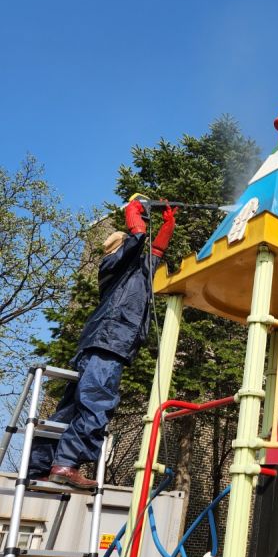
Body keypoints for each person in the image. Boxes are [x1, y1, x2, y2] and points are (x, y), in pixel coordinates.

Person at [28, 198, 177, 489]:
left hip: (103, 344)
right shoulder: (112, 265)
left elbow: (155, 253)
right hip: (109, 343)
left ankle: (40, 466)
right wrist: (134, 215)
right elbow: (137, 239)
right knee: (97, 402)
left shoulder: (134, 274)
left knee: (71, 410)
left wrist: (167, 226)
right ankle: (66, 463)